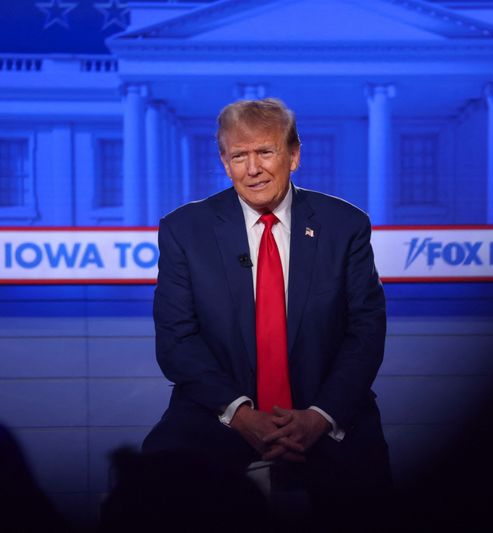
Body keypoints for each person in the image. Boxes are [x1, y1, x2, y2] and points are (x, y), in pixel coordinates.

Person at [142, 98, 391, 521]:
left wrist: (319, 416)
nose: (252, 168)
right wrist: (240, 414)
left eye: (265, 152)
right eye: (239, 155)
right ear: (224, 162)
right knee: (153, 484)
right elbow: (176, 341)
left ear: (293, 155)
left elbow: (365, 334)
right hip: (219, 411)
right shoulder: (185, 230)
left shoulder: (344, 226)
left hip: (323, 408)